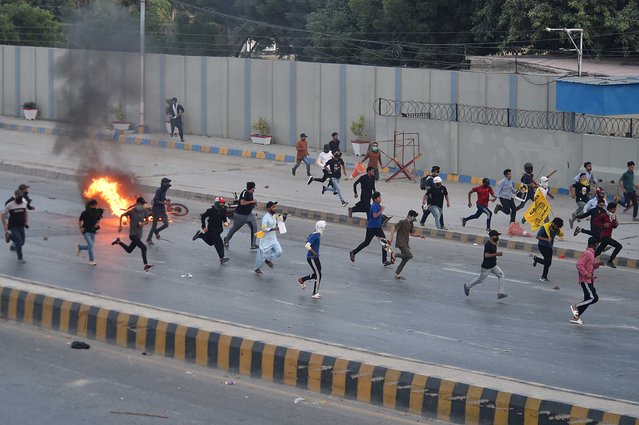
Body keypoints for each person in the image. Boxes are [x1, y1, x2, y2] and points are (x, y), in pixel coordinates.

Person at [112, 197, 154, 272]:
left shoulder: (144, 211)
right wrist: (120, 226)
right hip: (133, 234)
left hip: (139, 235)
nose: (143, 205)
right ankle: (146, 266)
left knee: (129, 250)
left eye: (143, 204)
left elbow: (148, 220)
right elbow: (122, 215)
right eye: (142, 204)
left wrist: (143, 223)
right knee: (144, 248)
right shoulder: (132, 211)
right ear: (137, 203)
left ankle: (118, 242)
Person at [463, 230, 507, 299]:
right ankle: (467, 286)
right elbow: (486, 255)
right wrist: (496, 254)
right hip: (486, 267)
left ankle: (500, 293)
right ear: (492, 236)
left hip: (493, 265)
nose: (497, 237)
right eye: (496, 236)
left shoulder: (495, 243)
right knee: (480, 280)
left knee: (502, 276)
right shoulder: (488, 244)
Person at [349, 192, 391, 266]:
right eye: (379, 198)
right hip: (372, 228)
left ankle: (385, 260)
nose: (380, 199)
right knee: (366, 243)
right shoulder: (374, 206)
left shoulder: (377, 205)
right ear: (375, 199)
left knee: (384, 243)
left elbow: (378, 214)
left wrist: (383, 216)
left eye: (380, 197)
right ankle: (353, 252)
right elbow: (375, 215)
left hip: (377, 227)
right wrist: (381, 210)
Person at [570, 237, 604, 325]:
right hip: (585, 280)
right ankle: (575, 306)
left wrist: (597, 265)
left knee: (587, 299)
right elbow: (579, 264)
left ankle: (575, 317)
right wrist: (586, 273)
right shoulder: (588, 253)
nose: (598, 245)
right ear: (593, 244)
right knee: (594, 298)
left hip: (589, 280)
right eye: (597, 244)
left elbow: (589, 265)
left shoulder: (591, 253)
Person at [388, 210, 424, 280]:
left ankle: (397, 273)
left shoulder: (411, 224)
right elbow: (393, 227)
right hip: (401, 242)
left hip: (406, 243)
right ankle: (395, 254)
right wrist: (391, 238)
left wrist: (419, 235)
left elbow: (412, 233)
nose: (414, 219)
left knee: (405, 258)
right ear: (410, 216)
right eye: (414, 217)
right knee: (410, 255)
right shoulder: (402, 222)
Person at [193, 197, 230, 264]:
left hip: (218, 230)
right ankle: (222, 258)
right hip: (212, 229)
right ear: (217, 203)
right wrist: (204, 226)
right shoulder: (210, 211)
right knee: (220, 243)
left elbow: (224, 219)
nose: (223, 204)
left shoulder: (222, 210)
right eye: (221, 202)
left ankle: (200, 235)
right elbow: (203, 217)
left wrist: (226, 223)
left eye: (223, 202)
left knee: (210, 243)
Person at [224, 182, 259, 250]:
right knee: (234, 229)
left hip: (249, 214)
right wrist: (252, 202)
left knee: (254, 227)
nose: (254, 190)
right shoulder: (244, 193)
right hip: (240, 216)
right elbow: (242, 202)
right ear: (251, 188)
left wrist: (254, 203)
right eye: (253, 188)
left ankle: (253, 244)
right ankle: (226, 239)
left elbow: (250, 201)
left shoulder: (251, 193)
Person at [297, 220, 327, 299]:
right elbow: (307, 245)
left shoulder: (315, 233)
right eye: (323, 228)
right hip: (312, 258)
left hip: (315, 257)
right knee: (318, 275)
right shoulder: (315, 235)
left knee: (317, 274)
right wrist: (314, 253)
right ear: (320, 228)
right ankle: (315, 293)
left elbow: (307, 240)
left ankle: (302, 280)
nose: (324, 229)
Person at [254, 201, 283, 274]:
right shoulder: (265, 218)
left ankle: (268, 259)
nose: (275, 209)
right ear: (268, 208)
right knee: (261, 255)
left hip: (273, 239)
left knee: (279, 252)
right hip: (265, 240)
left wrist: (281, 222)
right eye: (273, 207)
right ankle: (257, 268)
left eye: (275, 207)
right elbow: (263, 228)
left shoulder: (274, 216)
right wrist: (273, 229)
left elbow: (278, 223)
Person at [533, 217, 564, 283]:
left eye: (559, 227)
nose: (558, 228)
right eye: (557, 226)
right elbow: (537, 236)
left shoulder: (556, 229)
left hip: (549, 246)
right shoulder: (544, 227)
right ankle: (543, 277)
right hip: (542, 245)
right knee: (547, 262)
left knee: (548, 263)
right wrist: (546, 239)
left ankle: (537, 259)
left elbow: (559, 233)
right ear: (553, 224)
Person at [5, 184, 34, 252]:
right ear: (23, 189)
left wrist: (30, 207)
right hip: (16, 215)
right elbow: (7, 203)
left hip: (18, 214)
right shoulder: (20, 196)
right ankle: (15, 245)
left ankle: (14, 245)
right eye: (26, 188)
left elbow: (25, 204)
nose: (27, 190)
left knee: (17, 231)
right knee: (17, 230)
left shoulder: (21, 195)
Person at [2, 190, 29, 263]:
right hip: (13, 226)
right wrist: (5, 225)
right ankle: (20, 258)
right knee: (18, 241)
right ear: (15, 196)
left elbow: (25, 212)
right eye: (19, 196)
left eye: (21, 196)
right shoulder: (10, 205)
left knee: (22, 243)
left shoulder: (24, 203)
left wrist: (26, 222)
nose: (20, 198)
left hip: (21, 225)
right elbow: (3, 214)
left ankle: (9, 236)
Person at [592, 202, 622, 268]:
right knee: (619, 246)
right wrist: (603, 225)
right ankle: (610, 261)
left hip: (608, 236)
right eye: (613, 209)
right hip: (604, 236)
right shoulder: (604, 215)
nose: (614, 211)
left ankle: (587, 259)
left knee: (598, 252)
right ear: (609, 209)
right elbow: (594, 222)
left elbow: (613, 226)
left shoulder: (614, 216)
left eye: (615, 209)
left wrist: (616, 225)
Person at [76, 199, 104, 266]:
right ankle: (91, 260)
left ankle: (80, 247)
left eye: (96, 205)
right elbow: (79, 221)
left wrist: (97, 224)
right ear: (91, 205)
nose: (95, 207)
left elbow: (98, 220)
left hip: (93, 232)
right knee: (91, 245)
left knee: (90, 246)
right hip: (86, 231)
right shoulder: (84, 213)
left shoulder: (96, 213)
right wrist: (80, 228)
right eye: (94, 205)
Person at [147, 177, 172, 245]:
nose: (168, 185)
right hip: (156, 210)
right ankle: (149, 239)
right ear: (163, 183)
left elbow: (162, 198)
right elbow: (156, 200)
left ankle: (157, 231)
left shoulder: (164, 190)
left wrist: (166, 200)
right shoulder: (158, 190)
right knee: (154, 225)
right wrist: (164, 203)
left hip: (162, 210)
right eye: (167, 183)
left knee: (166, 224)